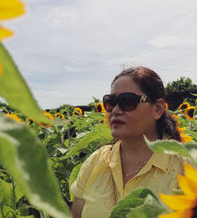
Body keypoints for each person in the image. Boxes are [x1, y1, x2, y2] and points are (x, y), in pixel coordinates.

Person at [71, 66, 187, 218]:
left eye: (127, 101)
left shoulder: (186, 167)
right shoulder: (95, 162)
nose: (116, 110)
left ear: (157, 109)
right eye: (110, 102)